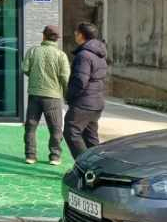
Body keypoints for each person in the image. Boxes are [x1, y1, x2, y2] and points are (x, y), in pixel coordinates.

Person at [21, 25, 70, 165]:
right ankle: (55, 156)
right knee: (55, 127)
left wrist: (34, 75)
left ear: (43, 36)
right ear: (57, 39)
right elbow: (65, 77)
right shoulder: (61, 55)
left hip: (34, 94)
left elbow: (25, 68)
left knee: (31, 126)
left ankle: (30, 156)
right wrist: (67, 95)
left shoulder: (33, 51)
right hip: (53, 96)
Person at [64, 21, 109, 157]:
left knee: (71, 132)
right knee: (90, 138)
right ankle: (99, 164)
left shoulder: (84, 55)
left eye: (76, 32)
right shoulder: (99, 53)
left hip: (83, 103)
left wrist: (69, 96)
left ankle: (84, 165)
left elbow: (80, 81)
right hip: (96, 103)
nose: (75, 34)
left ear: (81, 35)